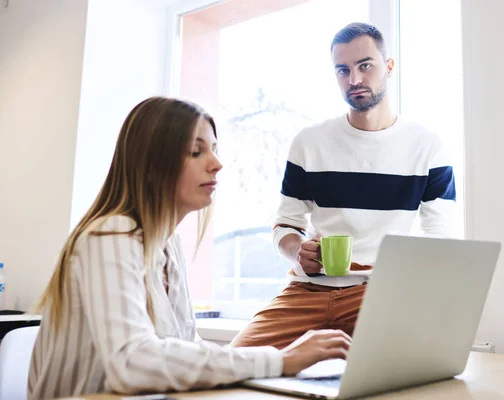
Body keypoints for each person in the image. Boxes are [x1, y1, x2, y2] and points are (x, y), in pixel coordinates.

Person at [27, 97, 351, 400]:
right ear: (151, 166)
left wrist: (277, 365)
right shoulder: (110, 235)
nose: (217, 164)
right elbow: (130, 362)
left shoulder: (168, 244)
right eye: (196, 152)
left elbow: (184, 346)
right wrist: (281, 360)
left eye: (213, 148)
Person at [230, 22, 458, 350]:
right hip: (306, 291)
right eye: (343, 70)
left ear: (389, 67)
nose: (354, 80)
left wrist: (402, 285)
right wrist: (298, 252)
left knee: (412, 368)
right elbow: (285, 225)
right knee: (234, 363)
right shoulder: (309, 143)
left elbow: (442, 240)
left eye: (365, 66)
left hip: (379, 293)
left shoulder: (428, 146)